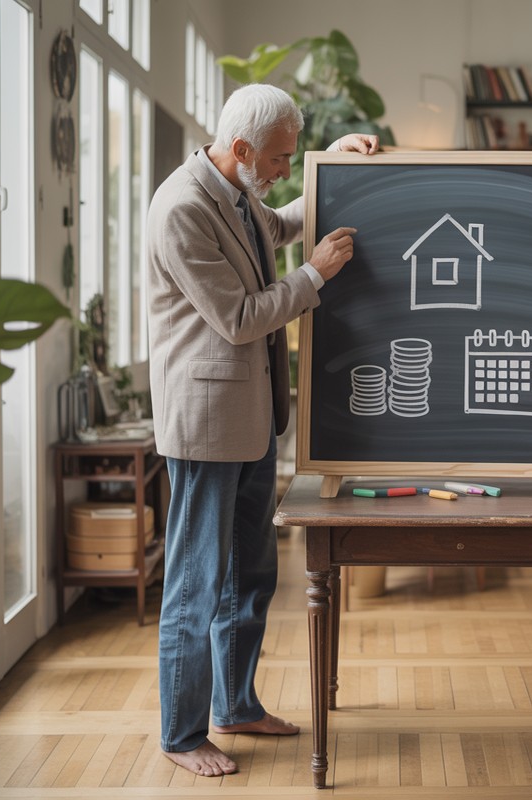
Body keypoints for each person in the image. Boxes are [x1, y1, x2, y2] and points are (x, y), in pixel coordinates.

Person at [146, 83, 379, 778]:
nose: (284, 169)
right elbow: (241, 318)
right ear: (242, 149)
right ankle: (182, 734)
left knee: (251, 574)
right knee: (195, 584)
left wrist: (329, 164)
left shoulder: (234, 187)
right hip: (206, 426)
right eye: (280, 160)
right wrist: (315, 275)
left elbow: (275, 225)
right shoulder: (183, 207)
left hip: (250, 419)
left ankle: (236, 704)